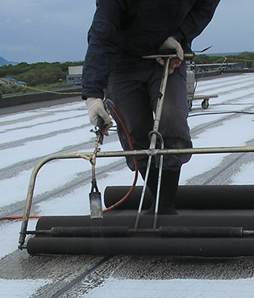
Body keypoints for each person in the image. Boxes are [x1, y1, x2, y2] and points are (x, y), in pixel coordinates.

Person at [82, 0, 221, 216]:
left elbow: (205, 6)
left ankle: (164, 205)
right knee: (134, 132)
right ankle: (161, 200)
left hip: (167, 55)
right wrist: (93, 94)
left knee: (172, 119)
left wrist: (178, 36)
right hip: (123, 62)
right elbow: (102, 34)